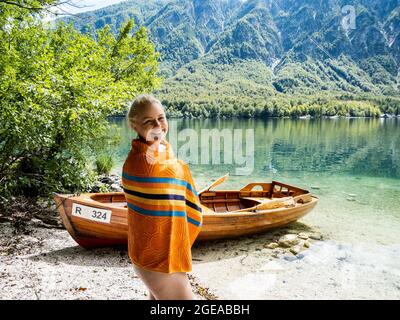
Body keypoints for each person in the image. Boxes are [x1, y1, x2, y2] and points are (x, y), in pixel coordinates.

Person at [122, 94, 203, 300]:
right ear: (134, 125)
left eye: (161, 117)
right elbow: (172, 174)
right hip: (159, 260)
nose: (158, 125)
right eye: (149, 121)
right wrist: (182, 169)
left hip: (146, 254)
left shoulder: (147, 156)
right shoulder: (146, 164)